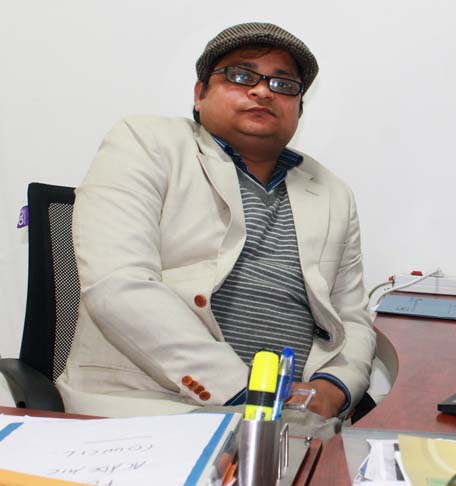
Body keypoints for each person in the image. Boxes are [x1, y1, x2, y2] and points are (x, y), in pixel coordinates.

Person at [56, 22, 376, 419]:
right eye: (241, 76)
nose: (263, 91)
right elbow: (118, 284)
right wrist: (246, 392)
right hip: (150, 408)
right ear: (200, 94)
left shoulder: (332, 192)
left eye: (283, 84)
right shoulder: (145, 143)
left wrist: (335, 388)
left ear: (298, 108)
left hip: (293, 422)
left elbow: (351, 316)